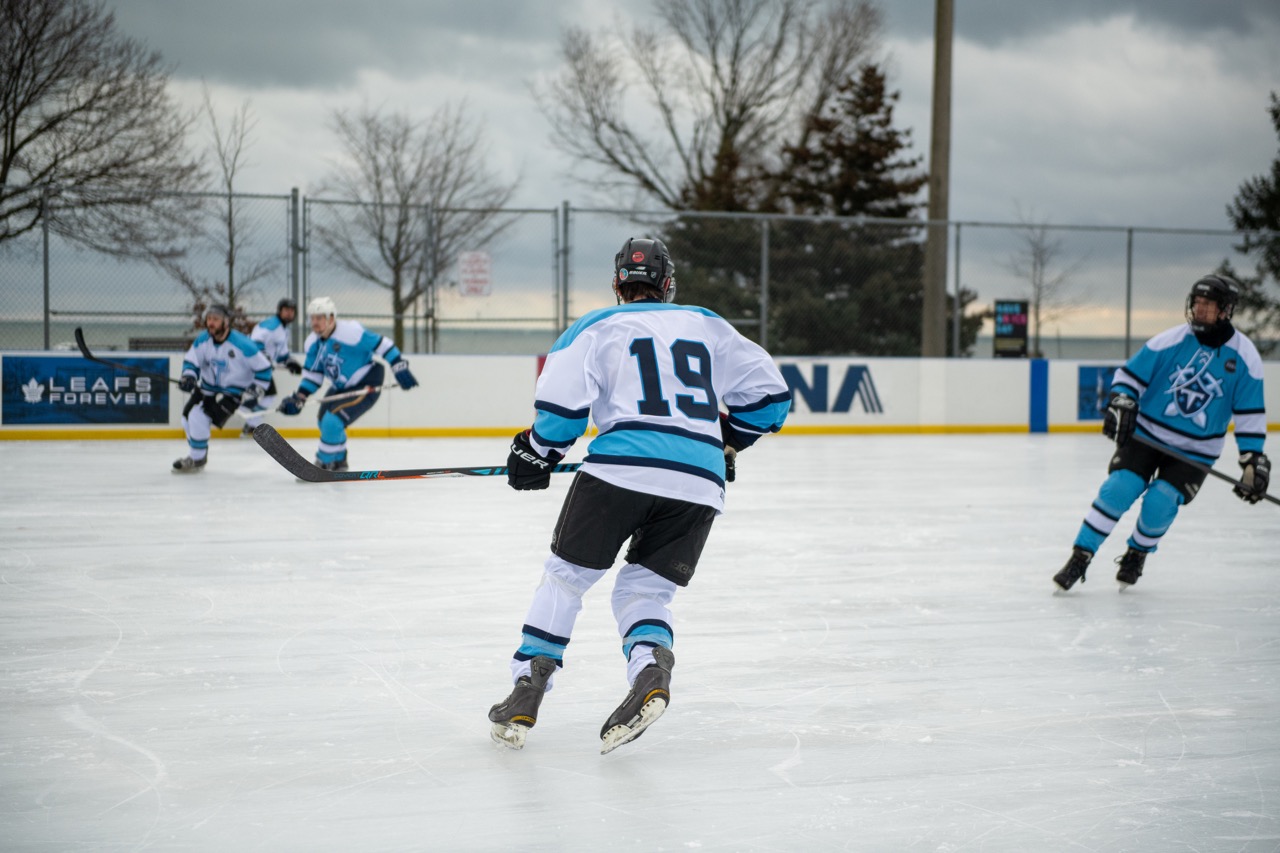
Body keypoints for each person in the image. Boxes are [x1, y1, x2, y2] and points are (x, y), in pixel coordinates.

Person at [487, 237, 792, 754]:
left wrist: (536, 453)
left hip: (619, 473)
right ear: (667, 284)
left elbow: (561, 413)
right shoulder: (707, 324)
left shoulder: (595, 327)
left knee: (566, 579)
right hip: (698, 482)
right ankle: (651, 670)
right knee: (645, 592)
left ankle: (526, 689)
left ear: (617, 284)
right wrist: (725, 443)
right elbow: (770, 399)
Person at [1053, 273, 1269, 591]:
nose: (1200, 309)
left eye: (1208, 304)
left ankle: (1137, 553)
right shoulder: (1171, 340)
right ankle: (1080, 556)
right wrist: (1122, 401)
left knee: (1161, 502)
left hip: (1196, 451)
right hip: (1147, 435)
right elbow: (1129, 377)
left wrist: (1253, 458)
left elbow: (1250, 414)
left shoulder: (1245, 357)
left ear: (1225, 310)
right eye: (1197, 302)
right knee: (1119, 488)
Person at [275, 297, 419, 471]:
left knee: (332, 421)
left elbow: (382, 344)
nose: (314, 322)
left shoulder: (351, 332)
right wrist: (300, 397)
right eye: (312, 318)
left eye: (319, 318)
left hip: (366, 381)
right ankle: (339, 460)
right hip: (341, 387)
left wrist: (398, 364)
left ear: (331, 318)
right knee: (322, 421)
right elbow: (314, 375)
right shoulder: (312, 343)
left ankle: (324, 462)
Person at [173, 303, 273, 473]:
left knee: (198, 415)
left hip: (231, 394)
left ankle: (196, 458)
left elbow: (264, 369)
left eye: (216, 319)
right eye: (209, 319)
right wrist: (189, 377)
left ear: (226, 322)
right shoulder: (203, 340)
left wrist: (257, 388)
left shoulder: (243, 344)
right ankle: (198, 454)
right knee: (186, 418)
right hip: (207, 389)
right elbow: (191, 362)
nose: (211, 323)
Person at [239, 296, 303, 436]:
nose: (289, 313)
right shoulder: (272, 325)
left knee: (268, 395)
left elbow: (281, 355)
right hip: (252, 366)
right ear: (279, 310)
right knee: (259, 395)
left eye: (292, 310)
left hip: (260, 368)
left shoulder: (283, 330)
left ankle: (251, 424)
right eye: (286, 310)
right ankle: (247, 418)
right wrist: (265, 358)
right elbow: (256, 341)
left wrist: (290, 362)